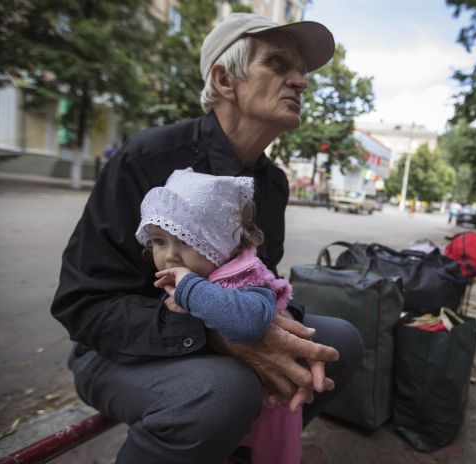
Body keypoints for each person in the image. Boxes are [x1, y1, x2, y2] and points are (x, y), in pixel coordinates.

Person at [51, 12, 363, 464]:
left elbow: (259, 276)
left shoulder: (270, 183)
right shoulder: (148, 158)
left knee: (338, 343)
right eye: (278, 64)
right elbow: (83, 305)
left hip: (222, 328)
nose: (301, 81)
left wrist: (277, 324)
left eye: (302, 71)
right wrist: (216, 332)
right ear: (224, 79)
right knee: (222, 393)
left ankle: (241, 450)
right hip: (116, 350)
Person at [137, 168, 301, 463]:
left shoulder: (245, 277)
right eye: (160, 241)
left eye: (186, 241)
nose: (170, 256)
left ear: (222, 242)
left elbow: (249, 322)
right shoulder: (196, 276)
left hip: (268, 410)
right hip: (225, 404)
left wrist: (190, 291)